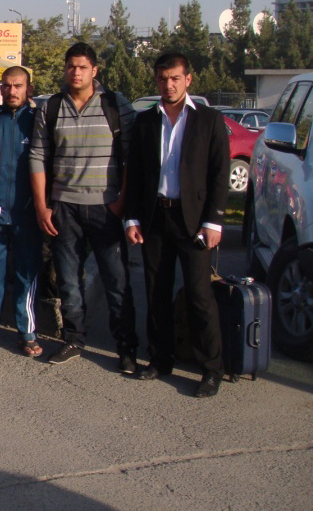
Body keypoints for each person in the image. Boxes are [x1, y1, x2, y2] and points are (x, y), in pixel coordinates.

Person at [29, 42, 139, 373]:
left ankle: (126, 346)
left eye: (82, 67)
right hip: (64, 208)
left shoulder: (116, 106)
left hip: (106, 208)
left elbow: (133, 157)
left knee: (116, 282)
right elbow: (37, 157)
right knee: (68, 281)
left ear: (94, 70)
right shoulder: (50, 108)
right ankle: (74, 338)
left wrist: (121, 201)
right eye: (71, 66)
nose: (76, 72)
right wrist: (41, 206)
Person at [125, 53, 229, 398]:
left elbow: (219, 174)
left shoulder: (209, 121)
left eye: (174, 78)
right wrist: (132, 217)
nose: (168, 85)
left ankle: (211, 368)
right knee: (156, 291)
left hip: (194, 222)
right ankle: (160, 359)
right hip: (156, 218)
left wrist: (214, 221)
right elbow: (137, 174)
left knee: (200, 296)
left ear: (188, 80)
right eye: (162, 79)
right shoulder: (146, 122)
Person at [0, 66, 43, 357]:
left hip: (28, 213)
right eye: (6, 86)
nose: (11, 91)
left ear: (28, 87)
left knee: (25, 275)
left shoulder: (38, 121)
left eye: (17, 85)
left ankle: (27, 332)